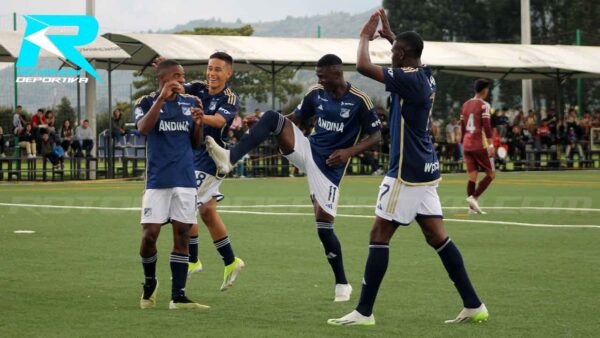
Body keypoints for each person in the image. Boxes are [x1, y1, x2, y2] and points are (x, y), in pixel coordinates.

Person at [327, 9, 487, 326]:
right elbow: (408, 54)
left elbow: (362, 66)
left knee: (378, 234)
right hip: (426, 169)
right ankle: (473, 304)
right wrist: (390, 35)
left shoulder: (410, 79)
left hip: (406, 172)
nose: (390, 55)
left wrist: (364, 35)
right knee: (437, 236)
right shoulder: (425, 73)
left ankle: (363, 312)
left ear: (402, 55)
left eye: (393, 51)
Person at [205, 53, 382, 302]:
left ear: (337, 74)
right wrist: (261, 128)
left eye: (323, 76)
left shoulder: (359, 100)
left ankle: (342, 282)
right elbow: (294, 120)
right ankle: (230, 158)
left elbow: (376, 136)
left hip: (329, 167)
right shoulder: (316, 93)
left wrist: (348, 152)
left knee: (324, 228)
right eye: (317, 76)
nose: (319, 80)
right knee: (271, 117)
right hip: (307, 150)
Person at [155, 52, 246, 290]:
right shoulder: (197, 88)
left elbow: (218, 121)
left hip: (212, 158)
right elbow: (176, 86)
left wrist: (199, 116)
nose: (212, 73)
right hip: (192, 156)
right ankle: (230, 261)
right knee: (207, 212)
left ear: (228, 73)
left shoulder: (230, 97)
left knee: (186, 206)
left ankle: (192, 260)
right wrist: (166, 69)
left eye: (218, 69)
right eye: (209, 68)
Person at [134, 59, 206, 310]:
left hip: (185, 180)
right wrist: (161, 100)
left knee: (182, 235)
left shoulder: (192, 103)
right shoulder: (145, 102)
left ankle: (178, 296)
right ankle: (150, 281)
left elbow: (196, 143)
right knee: (150, 234)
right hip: (157, 181)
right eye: (177, 75)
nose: (182, 80)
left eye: (183, 76)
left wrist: (199, 123)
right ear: (163, 79)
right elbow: (143, 128)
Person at [460, 79, 496, 214]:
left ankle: (471, 209)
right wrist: (491, 144)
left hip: (467, 144)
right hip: (479, 144)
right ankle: (474, 198)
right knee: (491, 174)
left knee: (472, 177)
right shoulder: (484, 105)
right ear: (485, 90)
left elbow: (462, 126)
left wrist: (462, 142)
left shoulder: (465, 105)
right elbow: (486, 126)